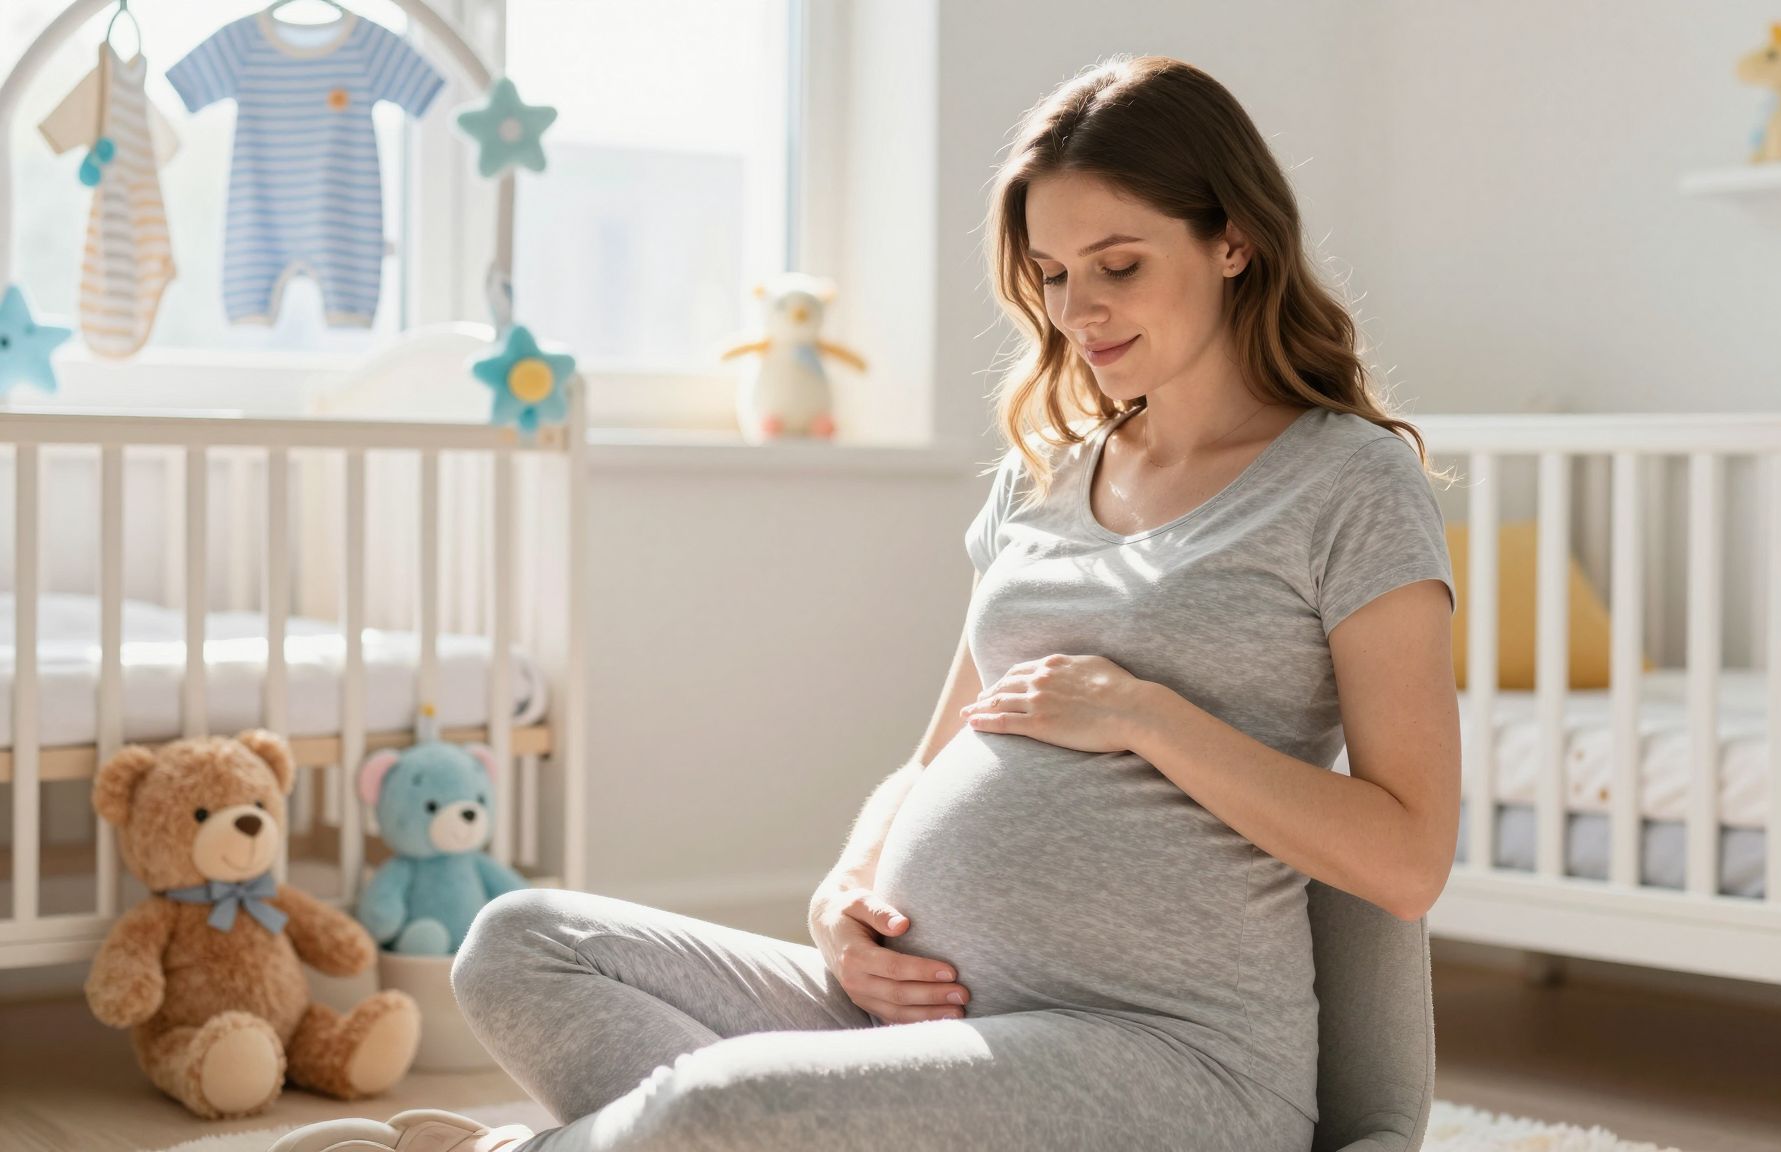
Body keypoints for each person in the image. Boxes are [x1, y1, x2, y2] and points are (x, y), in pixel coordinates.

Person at [270, 52, 1460, 1152]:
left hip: (1169, 1062)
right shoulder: (1046, 472)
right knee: (521, 945)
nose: (1077, 310)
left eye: (1119, 264)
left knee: (716, 1108)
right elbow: (929, 756)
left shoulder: (1348, 483)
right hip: (912, 1012)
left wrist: (1145, 715)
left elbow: (1406, 858)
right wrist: (843, 895)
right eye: (1050, 275)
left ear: (1234, 243)